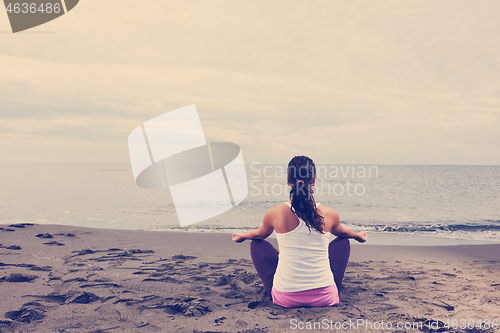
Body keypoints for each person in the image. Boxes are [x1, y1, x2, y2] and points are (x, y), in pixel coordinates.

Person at [232, 156, 367, 308]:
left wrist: (243, 236)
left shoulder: (275, 213)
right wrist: (357, 235)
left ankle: (276, 290)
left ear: (288, 181)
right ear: (314, 181)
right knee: (343, 241)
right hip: (325, 298)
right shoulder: (329, 213)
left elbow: (259, 235)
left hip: (285, 299)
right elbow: (342, 231)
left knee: (257, 244)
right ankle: (330, 289)